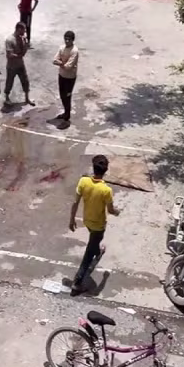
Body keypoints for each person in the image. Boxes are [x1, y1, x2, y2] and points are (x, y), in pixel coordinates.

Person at [68, 155, 118, 295]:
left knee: (94, 241)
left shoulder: (84, 181)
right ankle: (77, 282)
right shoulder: (106, 190)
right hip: (99, 225)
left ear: (93, 167)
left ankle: (97, 251)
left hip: (87, 221)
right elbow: (111, 210)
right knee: (87, 256)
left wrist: (72, 220)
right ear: (106, 170)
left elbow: (75, 202)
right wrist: (117, 212)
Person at [3, 21, 33, 107]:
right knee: (9, 82)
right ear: (18, 29)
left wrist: (26, 46)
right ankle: (7, 98)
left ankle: (27, 98)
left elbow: (23, 54)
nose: (24, 32)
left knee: (25, 81)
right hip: (11, 66)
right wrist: (19, 55)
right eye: (23, 30)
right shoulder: (10, 40)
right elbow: (9, 55)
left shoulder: (22, 38)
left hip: (20, 65)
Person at [53, 30, 79, 123]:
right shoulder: (62, 48)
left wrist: (60, 63)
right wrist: (62, 63)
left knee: (67, 96)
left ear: (72, 40)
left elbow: (69, 66)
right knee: (62, 95)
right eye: (66, 39)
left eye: (69, 39)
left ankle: (67, 115)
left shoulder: (74, 51)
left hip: (70, 77)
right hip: (62, 75)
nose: (67, 41)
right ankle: (65, 112)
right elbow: (54, 60)